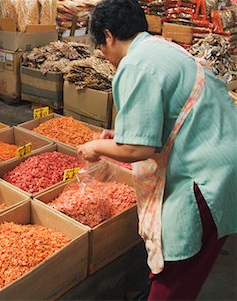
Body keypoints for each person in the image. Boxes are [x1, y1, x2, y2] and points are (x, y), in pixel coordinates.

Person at [77, 0, 237, 299]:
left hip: (205, 177)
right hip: (225, 160)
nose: (103, 55)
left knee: (178, 268)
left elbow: (139, 148)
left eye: (100, 46)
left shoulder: (135, 65)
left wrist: (97, 146)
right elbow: (164, 117)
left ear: (108, 36)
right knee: (193, 269)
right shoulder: (162, 48)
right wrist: (119, 136)